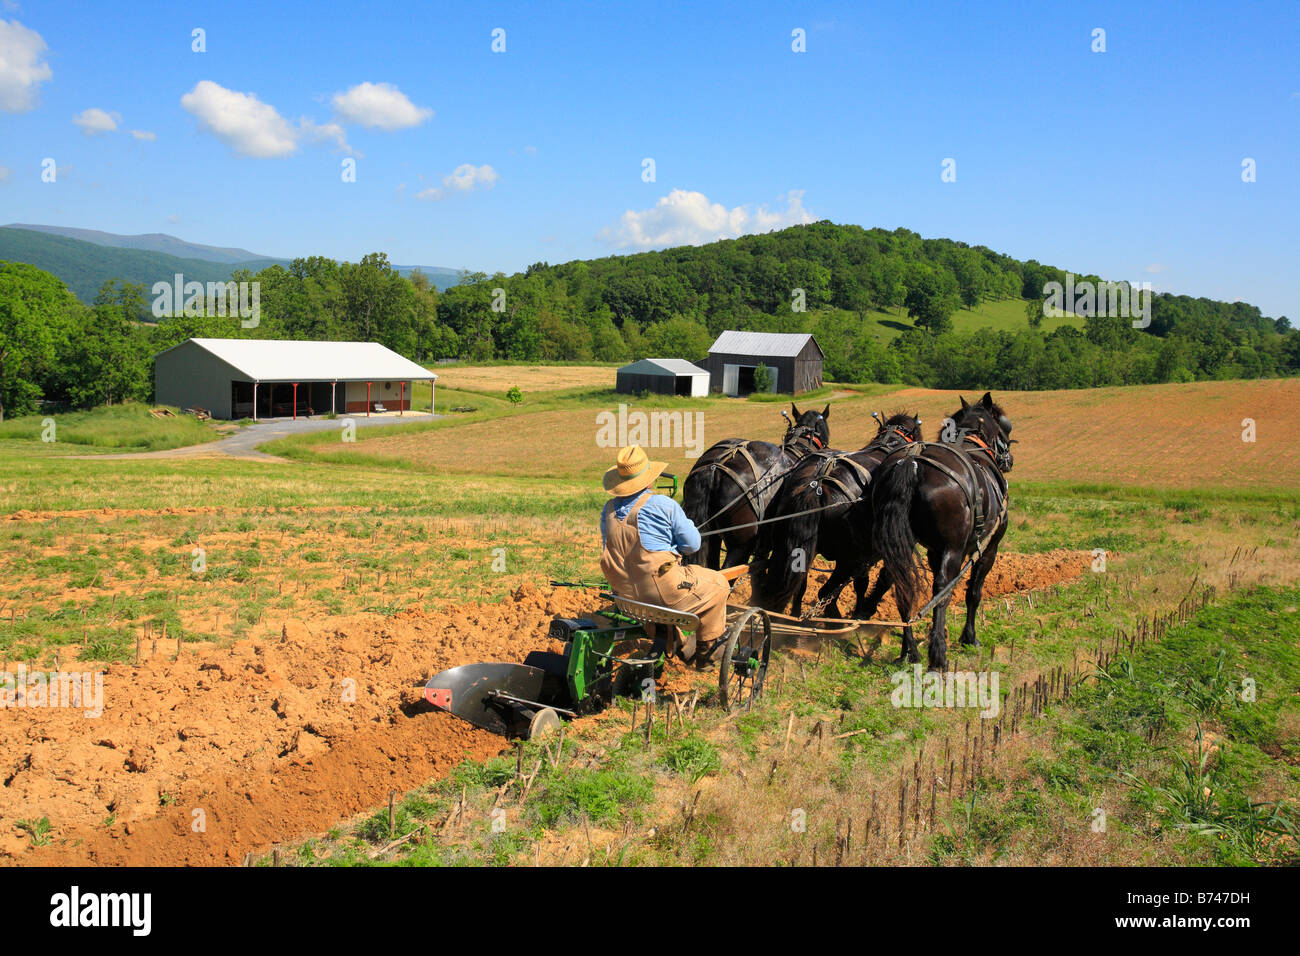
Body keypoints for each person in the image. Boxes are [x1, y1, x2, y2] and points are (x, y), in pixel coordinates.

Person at [599, 445, 732, 662]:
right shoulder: (663, 504)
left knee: (649, 591)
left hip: (626, 597)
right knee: (719, 584)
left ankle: (675, 642)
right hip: (663, 594)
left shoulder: (608, 510)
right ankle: (707, 649)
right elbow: (693, 545)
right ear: (649, 480)